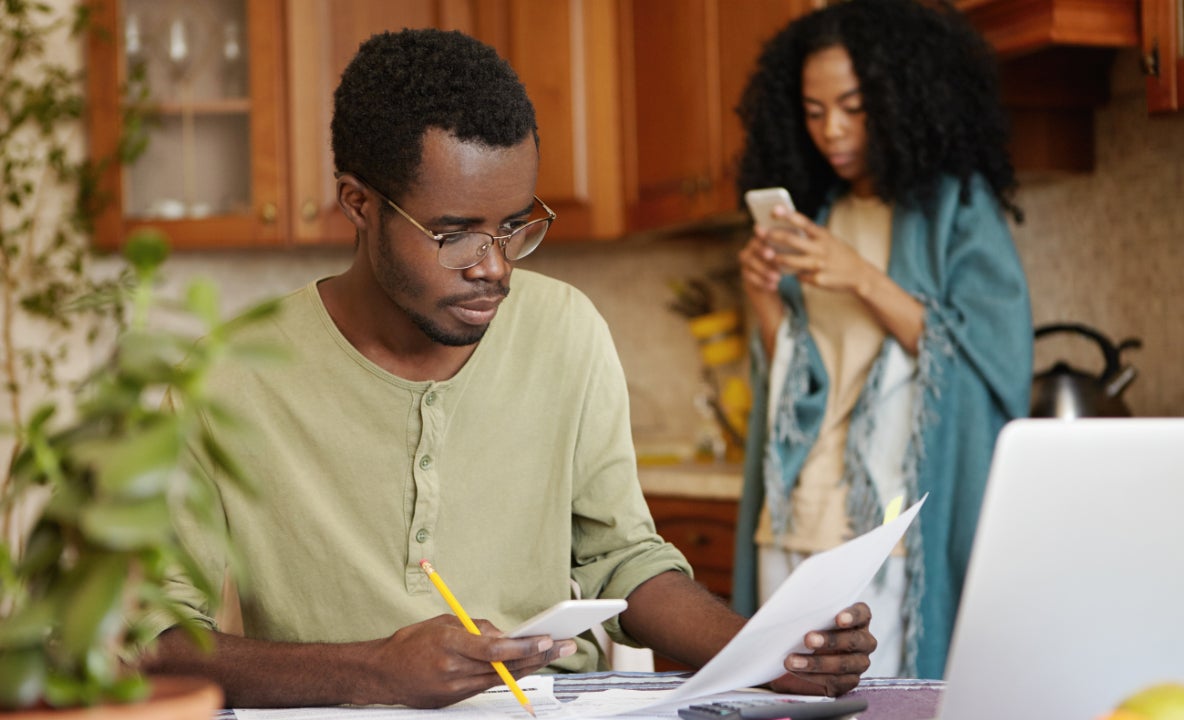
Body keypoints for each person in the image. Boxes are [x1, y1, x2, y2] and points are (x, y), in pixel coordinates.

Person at [141, 28, 877, 709]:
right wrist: (375, 670)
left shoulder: (566, 330)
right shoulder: (228, 375)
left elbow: (622, 558)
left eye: (515, 226)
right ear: (358, 205)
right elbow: (157, 641)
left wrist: (767, 650)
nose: (494, 269)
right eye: (456, 234)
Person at [730, 0, 1033, 680]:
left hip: (889, 532)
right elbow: (800, 381)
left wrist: (861, 276)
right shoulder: (822, 213)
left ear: (900, 98)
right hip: (792, 516)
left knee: (879, 702)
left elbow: (997, 360)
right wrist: (762, 300)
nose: (831, 130)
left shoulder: (953, 206)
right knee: (782, 700)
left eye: (853, 105)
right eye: (812, 111)